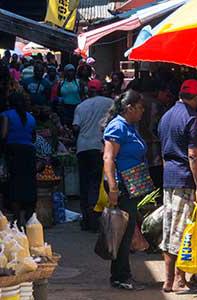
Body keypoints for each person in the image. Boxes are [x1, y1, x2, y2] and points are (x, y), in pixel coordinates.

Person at [158, 79, 197, 292]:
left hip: (169, 176)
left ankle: (170, 280)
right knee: (183, 230)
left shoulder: (166, 116)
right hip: (184, 178)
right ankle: (178, 280)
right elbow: (194, 155)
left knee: (170, 228)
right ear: (196, 98)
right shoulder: (192, 118)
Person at [103, 89, 146, 290]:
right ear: (129, 108)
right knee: (122, 233)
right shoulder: (117, 127)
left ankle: (123, 273)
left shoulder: (129, 126)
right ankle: (119, 276)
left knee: (126, 231)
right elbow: (108, 158)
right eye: (140, 108)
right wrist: (113, 187)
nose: (142, 112)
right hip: (121, 185)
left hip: (130, 184)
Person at [73, 80, 113, 231]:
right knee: (98, 183)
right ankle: (97, 219)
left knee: (84, 184)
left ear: (88, 91)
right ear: (101, 90)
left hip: (83, 147)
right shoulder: (109, 103)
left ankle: (87, 219)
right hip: (100, 147)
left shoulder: (80, 106)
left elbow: (75, 127)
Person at [0, 92, 37, 226]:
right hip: (29, 152)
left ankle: (16, 219)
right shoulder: (31, 118)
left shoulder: (6, 115)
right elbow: (33, 137)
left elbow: (3, 135)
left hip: (13, 151)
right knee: (28, 183)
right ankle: (28, 217)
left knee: (14, 184)